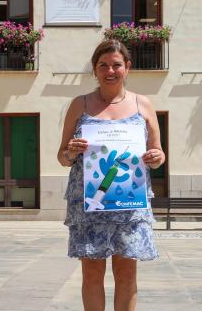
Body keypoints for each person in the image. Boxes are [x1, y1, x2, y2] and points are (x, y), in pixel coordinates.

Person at [58, 40, 166, 311]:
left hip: (129, 203)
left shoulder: (143, 105)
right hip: (90, 203)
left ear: (127, 68)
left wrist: (156, 158)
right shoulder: (79, 105)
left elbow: (158, 154)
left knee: (127, 274)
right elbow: (62, 157)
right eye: (103, 65)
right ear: (95, 70)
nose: (110, 71)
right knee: (92, 274)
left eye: (116, 65)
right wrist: (71, 151)